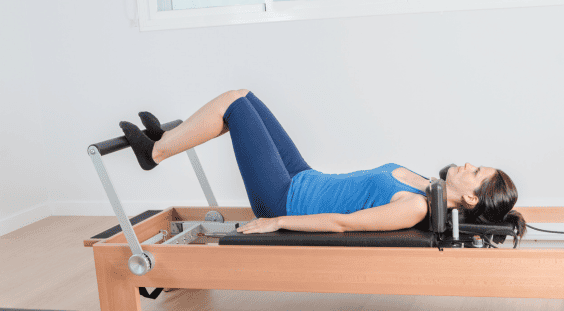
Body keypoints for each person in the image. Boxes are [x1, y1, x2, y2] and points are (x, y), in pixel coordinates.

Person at [119, 89, 527, 240]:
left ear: (472, 196)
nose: (469, 164)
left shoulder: (416, 205)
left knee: (236, 107)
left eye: (477, 172)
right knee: (246, 95)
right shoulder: (425, 186)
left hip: (285, 199)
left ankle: (155, 153)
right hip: (303, 177)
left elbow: (342, 224)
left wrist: (275, 222)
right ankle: (164, 141)